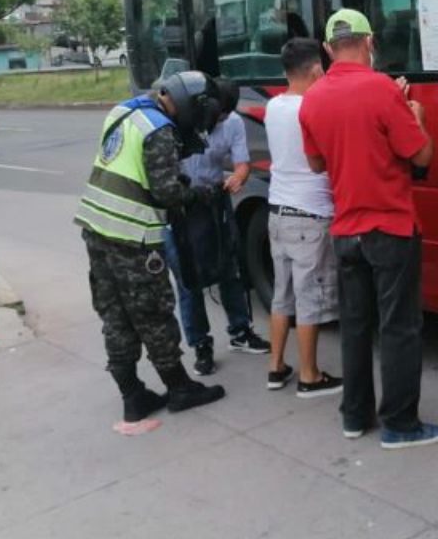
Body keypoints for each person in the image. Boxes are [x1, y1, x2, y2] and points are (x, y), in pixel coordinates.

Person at [298, 9, 438, 450]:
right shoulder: (383, 90)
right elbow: (420, 156)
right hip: (390, 227)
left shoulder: (314, 98)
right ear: (370, 43)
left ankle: (354, 415)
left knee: (355, 326)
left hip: (346, 230)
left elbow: (315, 163)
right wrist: (415, 114)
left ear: (328, 49)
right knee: (399, 327)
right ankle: (400, 425)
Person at [74, 71, 227, 428]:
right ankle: (179, 389)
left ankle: (132, 396)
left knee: (115, 317)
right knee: (153, 313)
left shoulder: (123, 112)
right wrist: (199, 193)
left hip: (96, 229)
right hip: (133, 237)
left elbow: (135, 170)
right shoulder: (159, 130)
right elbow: (167, 193)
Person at [163, 76, 270, 376]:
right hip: (182, 205)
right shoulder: (175, 121)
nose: (218, 119)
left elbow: (242, 162)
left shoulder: (233, 122)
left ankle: (240, 331)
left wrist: (239, 176)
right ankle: (201, 345)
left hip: (214, 199)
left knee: (229, 268)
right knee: (188, 279)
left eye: (223, 115)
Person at [264, 38, 343, 398]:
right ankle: (309, 376)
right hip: (309, 216)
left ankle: (276, 367)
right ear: (315, 70)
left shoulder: (273, 106)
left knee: (283, 295)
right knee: (309, 297)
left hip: (277, 213)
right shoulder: (312, 108)